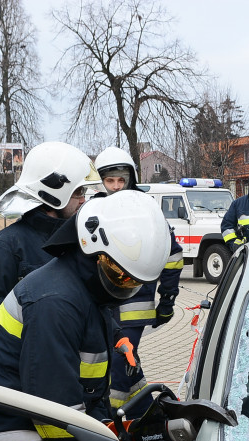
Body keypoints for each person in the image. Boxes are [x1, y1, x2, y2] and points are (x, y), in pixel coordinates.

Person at [0, 191, 171, 441]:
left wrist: (149, 426)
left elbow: (93, 388)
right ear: (88, 247)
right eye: (118, 275)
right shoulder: (56, 303)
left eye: (132, 282)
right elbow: (56, 413)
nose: (123, 287)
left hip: (32, 434)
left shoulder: (87, 288)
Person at [0, 141, 96, 339]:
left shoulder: (80, 238)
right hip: (31, 363)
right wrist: (4, 358)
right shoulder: (10, 243)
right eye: (78, 191)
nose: (83, 200)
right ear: (54, 193)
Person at [94, 147, 183, 416]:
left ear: (131, 177)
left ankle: (116, 425)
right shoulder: (94, 209)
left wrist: (167, 300)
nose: (116, 187)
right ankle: (147, 414)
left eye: (121, 180)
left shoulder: (146, 209)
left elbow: (173, 255)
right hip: (102, 306)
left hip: (134, 308)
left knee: (120, 366)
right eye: (110, 181)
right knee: (120, 364)